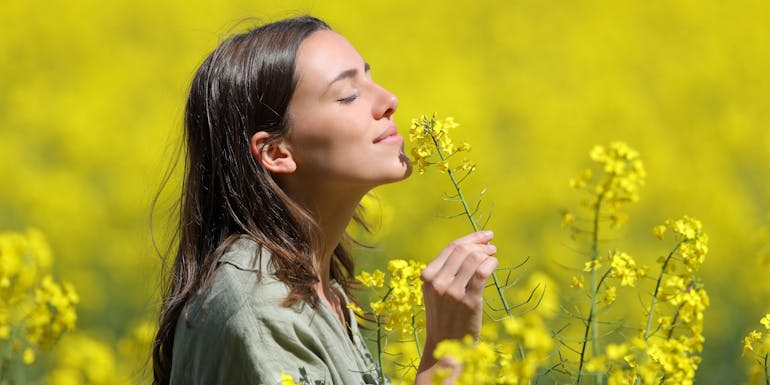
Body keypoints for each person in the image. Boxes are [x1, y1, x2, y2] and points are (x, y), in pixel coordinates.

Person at [151, 15, 498, 385]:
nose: (389, 100)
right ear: (276, 152)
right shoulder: (260, 306)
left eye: (370, 78)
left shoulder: (315, 285)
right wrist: (446, 356)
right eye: (348, 95)